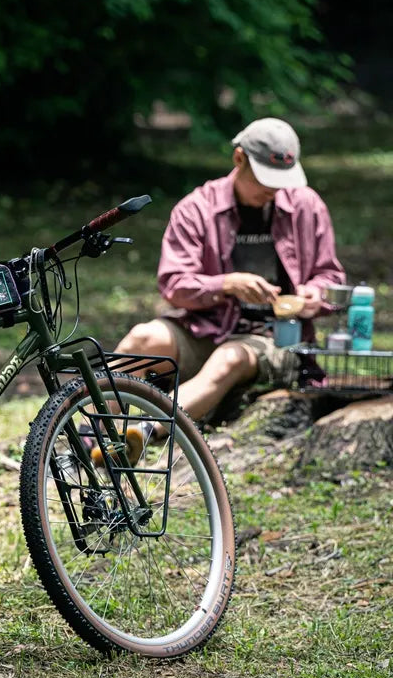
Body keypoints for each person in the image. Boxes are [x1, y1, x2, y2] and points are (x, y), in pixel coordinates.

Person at [114, 117, 346, 442]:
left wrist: (313, 294)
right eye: (266, 178)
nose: (273, 189)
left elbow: (330, 276)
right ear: (239, 159)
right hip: (207, 328)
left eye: (281, 180)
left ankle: (145, 432)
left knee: (229, 358)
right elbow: (173, 284)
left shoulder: (307, 206)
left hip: (277, 339)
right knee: (142, 339)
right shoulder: (197, 209)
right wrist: (226, 284)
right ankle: (89, 436)